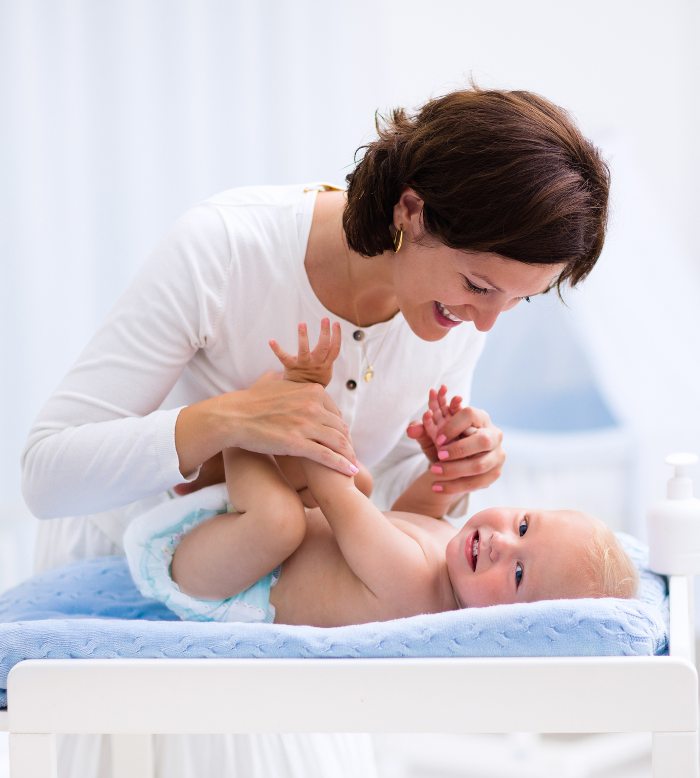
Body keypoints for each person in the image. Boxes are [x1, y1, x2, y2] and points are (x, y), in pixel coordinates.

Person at [22, 85, 611, 778]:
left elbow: (383, 526)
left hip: (283, 635)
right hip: (137, 603)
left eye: (519, 300)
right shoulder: (228, 248)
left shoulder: (449, 315)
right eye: (481, 287)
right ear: (411, 209)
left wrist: (447, 472)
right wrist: (232, 418)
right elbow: (46, 473)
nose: (487, 323)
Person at [127, 318, 637, 626]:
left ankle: (244, 427)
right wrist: (439, 472)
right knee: (365, 487)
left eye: (520, 574)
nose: (504, 543)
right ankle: (243, 447)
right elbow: (406, 520)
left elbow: (332, 489)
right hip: (241, 548)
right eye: (524, 525)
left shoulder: (416, 587)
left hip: (222, 579)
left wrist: (302, 401)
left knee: (294, 514)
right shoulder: (447, 565)